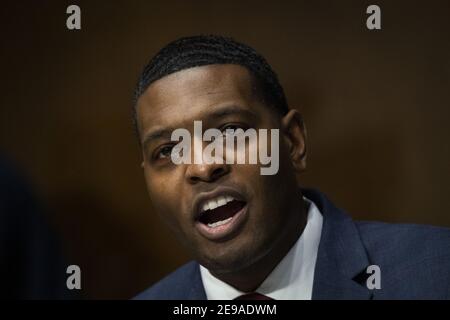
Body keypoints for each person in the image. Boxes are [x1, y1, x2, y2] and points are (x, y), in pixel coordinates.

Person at [132, 35, 450, 300]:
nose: (202, 165)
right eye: (168, 150)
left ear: (293, 142)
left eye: (229, 132)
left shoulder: (436, 271)